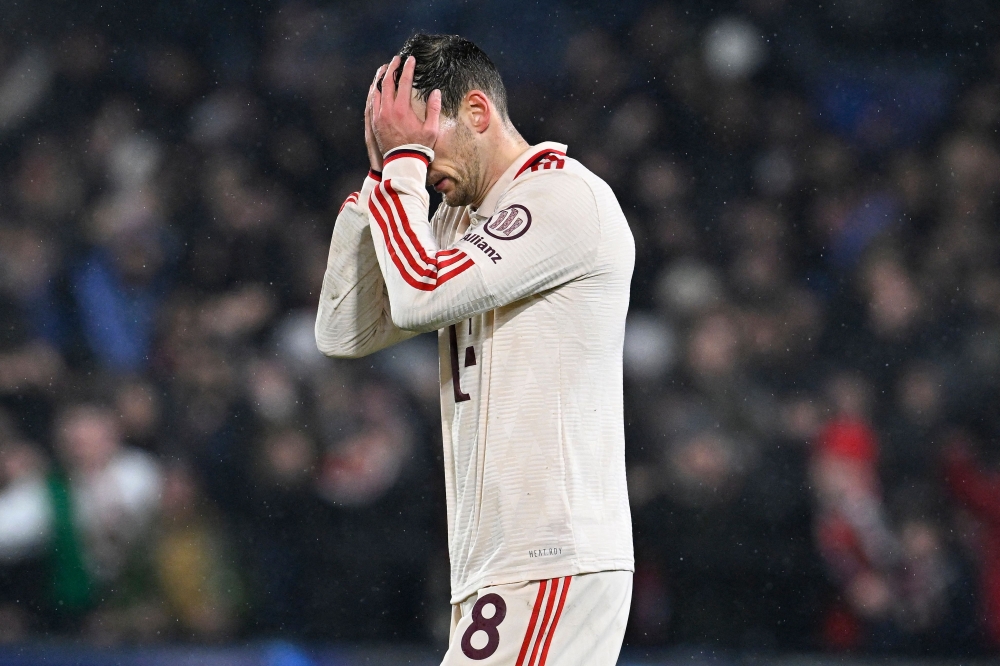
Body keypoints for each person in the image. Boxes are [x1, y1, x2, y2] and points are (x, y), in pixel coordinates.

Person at [315, 34, 634, 665]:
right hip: (499, 563)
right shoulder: (463, 220)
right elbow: (341, 331)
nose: (420, 168)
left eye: (422, 144)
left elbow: (418, 296)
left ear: (479, 114)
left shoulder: (561, 195)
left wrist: (401, 171)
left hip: (550, 556)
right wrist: (380, 178)